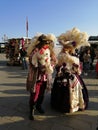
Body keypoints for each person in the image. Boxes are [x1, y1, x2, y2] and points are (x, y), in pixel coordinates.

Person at [51, 27, 90, 113]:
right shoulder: (62, 56)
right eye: (66, 47)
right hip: (64, 77)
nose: (66, 49)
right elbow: (58, 66)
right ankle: (66, 105)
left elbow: (77, 69)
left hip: (71, 76)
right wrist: (62, 69)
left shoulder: (72, 56)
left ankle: (73, 105)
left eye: (67, 48)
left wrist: (75, 68)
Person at [26, 33, 57, 120]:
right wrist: (39, 65)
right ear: (40, 42)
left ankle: (39, 106)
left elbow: (54, 60)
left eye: (47, 43)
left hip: (46, 76)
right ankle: (31, 110)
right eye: (45, 42)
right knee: (34, 93)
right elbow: (32, 62)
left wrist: (50, 65)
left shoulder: (50, 51)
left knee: (42, 93)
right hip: (36, 76)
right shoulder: (35, 51)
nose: (46, 44)